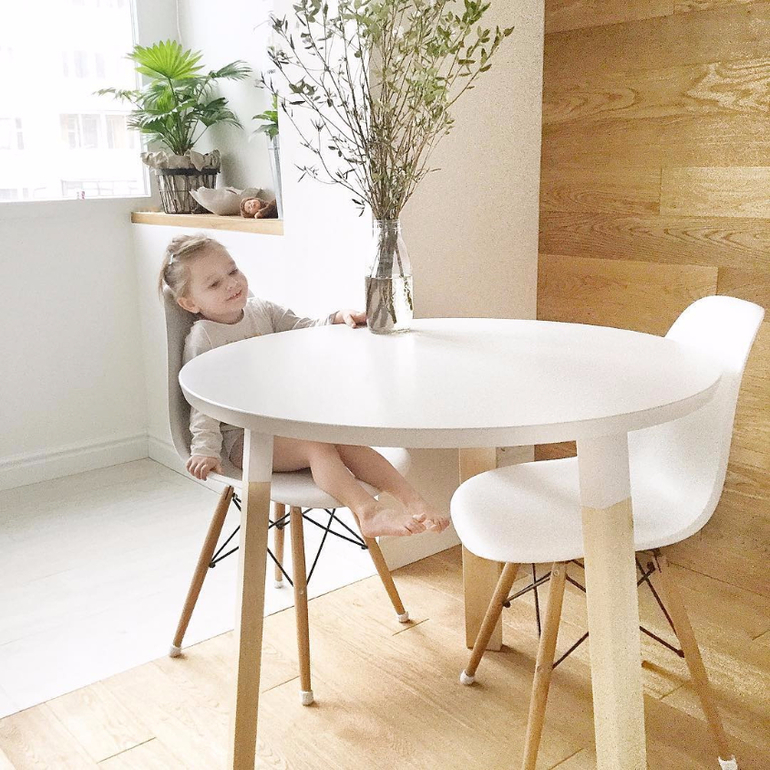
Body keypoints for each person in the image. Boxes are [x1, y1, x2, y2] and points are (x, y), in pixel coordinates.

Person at [159, 233, 449, 538]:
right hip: (243, 440)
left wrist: (338, 317)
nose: (231, 284)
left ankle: (415, 502)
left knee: (342, 439)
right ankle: (368, 513)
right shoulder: (204, 338)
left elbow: (305, 329)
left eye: (232, 271)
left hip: (285, 425)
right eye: (214, 284)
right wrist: (205, 450)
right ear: (189, 303)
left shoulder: (262, 311)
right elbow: (202, 400)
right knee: (317, 445)